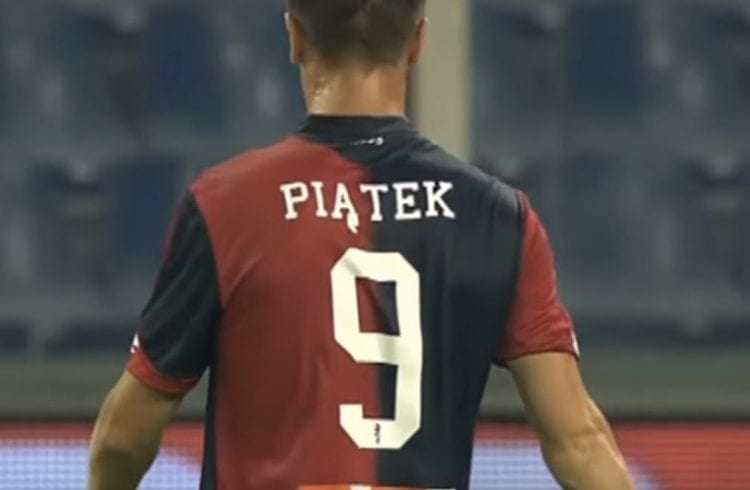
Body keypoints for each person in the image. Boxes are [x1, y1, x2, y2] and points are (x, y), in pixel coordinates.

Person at [89, 1, 635, 489]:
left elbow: (123, 439)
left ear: (294, 38)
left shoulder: (225, 205)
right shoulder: (498, 216)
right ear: (418, 42)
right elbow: (578, 443)